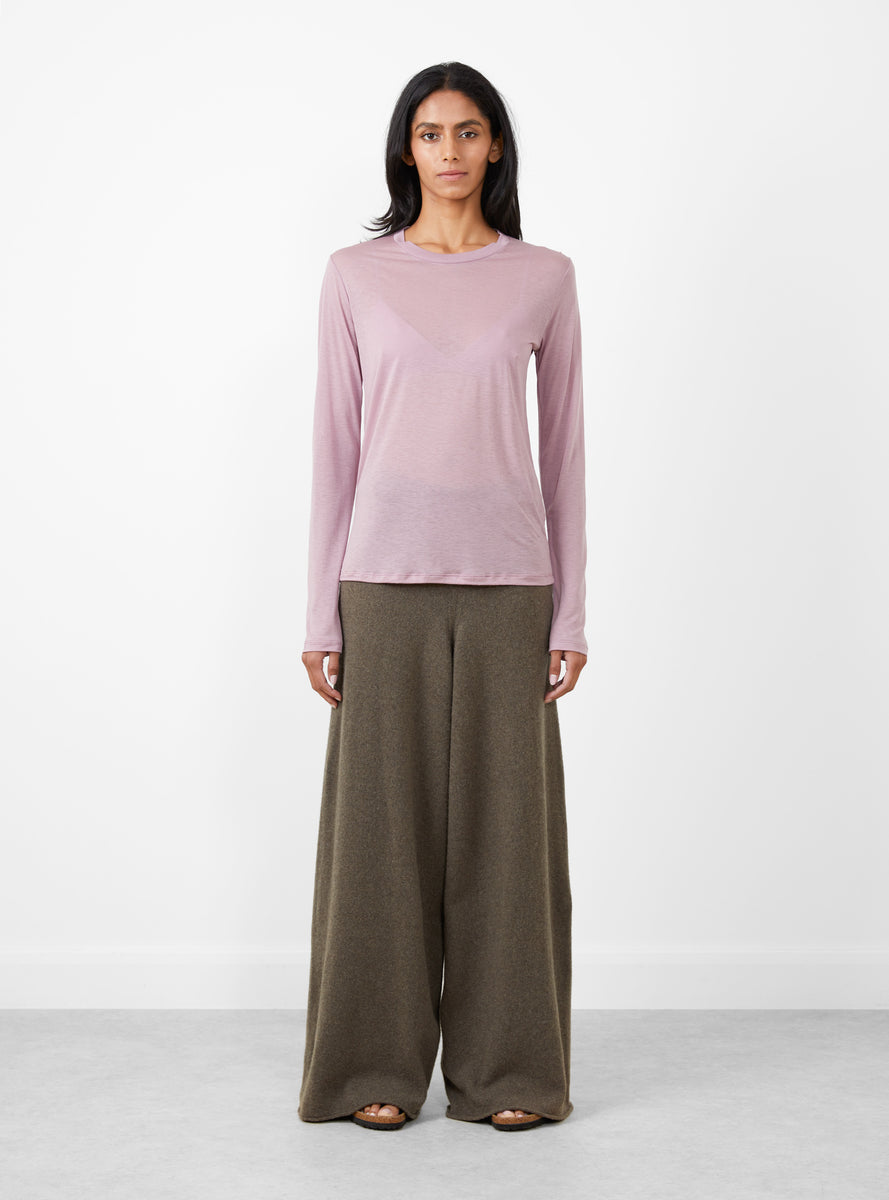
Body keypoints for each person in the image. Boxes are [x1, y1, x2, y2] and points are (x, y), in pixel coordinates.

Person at [298, 61, 588, 1132]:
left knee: (509, 847)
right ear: (405, 149)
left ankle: (510, 1074)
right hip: (381, 583)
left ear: (494, 145)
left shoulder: (543, 276)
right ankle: (369, 1069)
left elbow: (566, 452)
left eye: (469, 131)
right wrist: (319, 613)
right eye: (430, 133)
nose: (451, 151)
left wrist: (572, 609)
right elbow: (333, 449)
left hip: (511, 586)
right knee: (378, 843)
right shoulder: (355, 276)